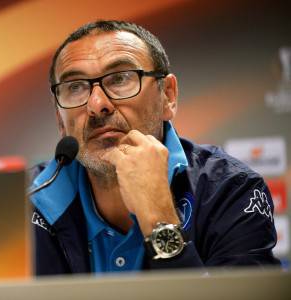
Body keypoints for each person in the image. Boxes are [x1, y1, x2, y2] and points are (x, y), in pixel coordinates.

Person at [29, 20, 280, 275]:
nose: (96, 104)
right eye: (75, 87)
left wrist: (160, 219)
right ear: (60, 118)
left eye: (119, 79)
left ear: (168, 97)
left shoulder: (231, 190)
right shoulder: (24, 204)